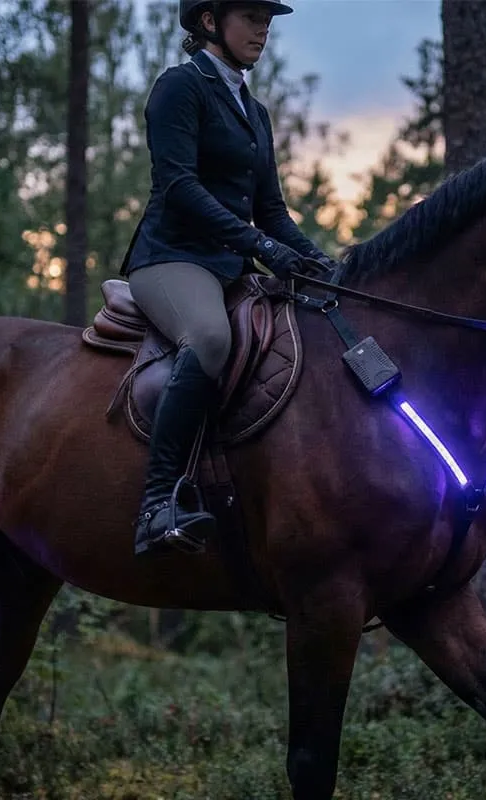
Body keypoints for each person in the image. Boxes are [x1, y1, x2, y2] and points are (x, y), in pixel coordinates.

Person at [121, 0, 338, 557]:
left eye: (268, 20)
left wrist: (322, 265)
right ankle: (157, 503)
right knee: (210, 338)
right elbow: (180, 188)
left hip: (230, 265)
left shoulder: (253, 110)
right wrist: (261, 248)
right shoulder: (179, 87)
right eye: (252, 17)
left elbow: (270, 210)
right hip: (171, 257)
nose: (264, 30)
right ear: (209, 21)